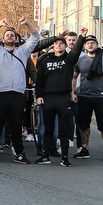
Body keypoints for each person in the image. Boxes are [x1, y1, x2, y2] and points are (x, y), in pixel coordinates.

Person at [0, 17, 40, 164]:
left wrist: (27, 23)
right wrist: (0, 24)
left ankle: (19, 153)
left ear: (16, 39)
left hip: (17, 94)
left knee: (16, 125)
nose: (10, 36)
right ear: (2, 38)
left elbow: (36, 36)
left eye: (12, 35)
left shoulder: (23, 51)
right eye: (7, 34)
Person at [35, 29, 86, 166]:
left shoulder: (69, 60)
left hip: (64, 98)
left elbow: (75, 52)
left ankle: (64, 157)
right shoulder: (45, 62)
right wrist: (39, 96)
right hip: (48, 99)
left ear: (65, 46)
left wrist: (81, 37)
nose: (59, 45)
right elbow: (39, 81)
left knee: (64, 130)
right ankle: (45, 156)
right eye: (56, 43)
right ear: (53, 46)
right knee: (48, 129)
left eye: (61, 44)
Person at [72, 34, 103, 162]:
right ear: (84, 46)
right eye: (88, 43)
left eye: (93, 43)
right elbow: (74, 77)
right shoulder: (80, 60)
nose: (90, 45)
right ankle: (84, 149)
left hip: (101, 97)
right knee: (83, 125)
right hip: (84, 97)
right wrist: (73, 93)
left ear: (97, 45)